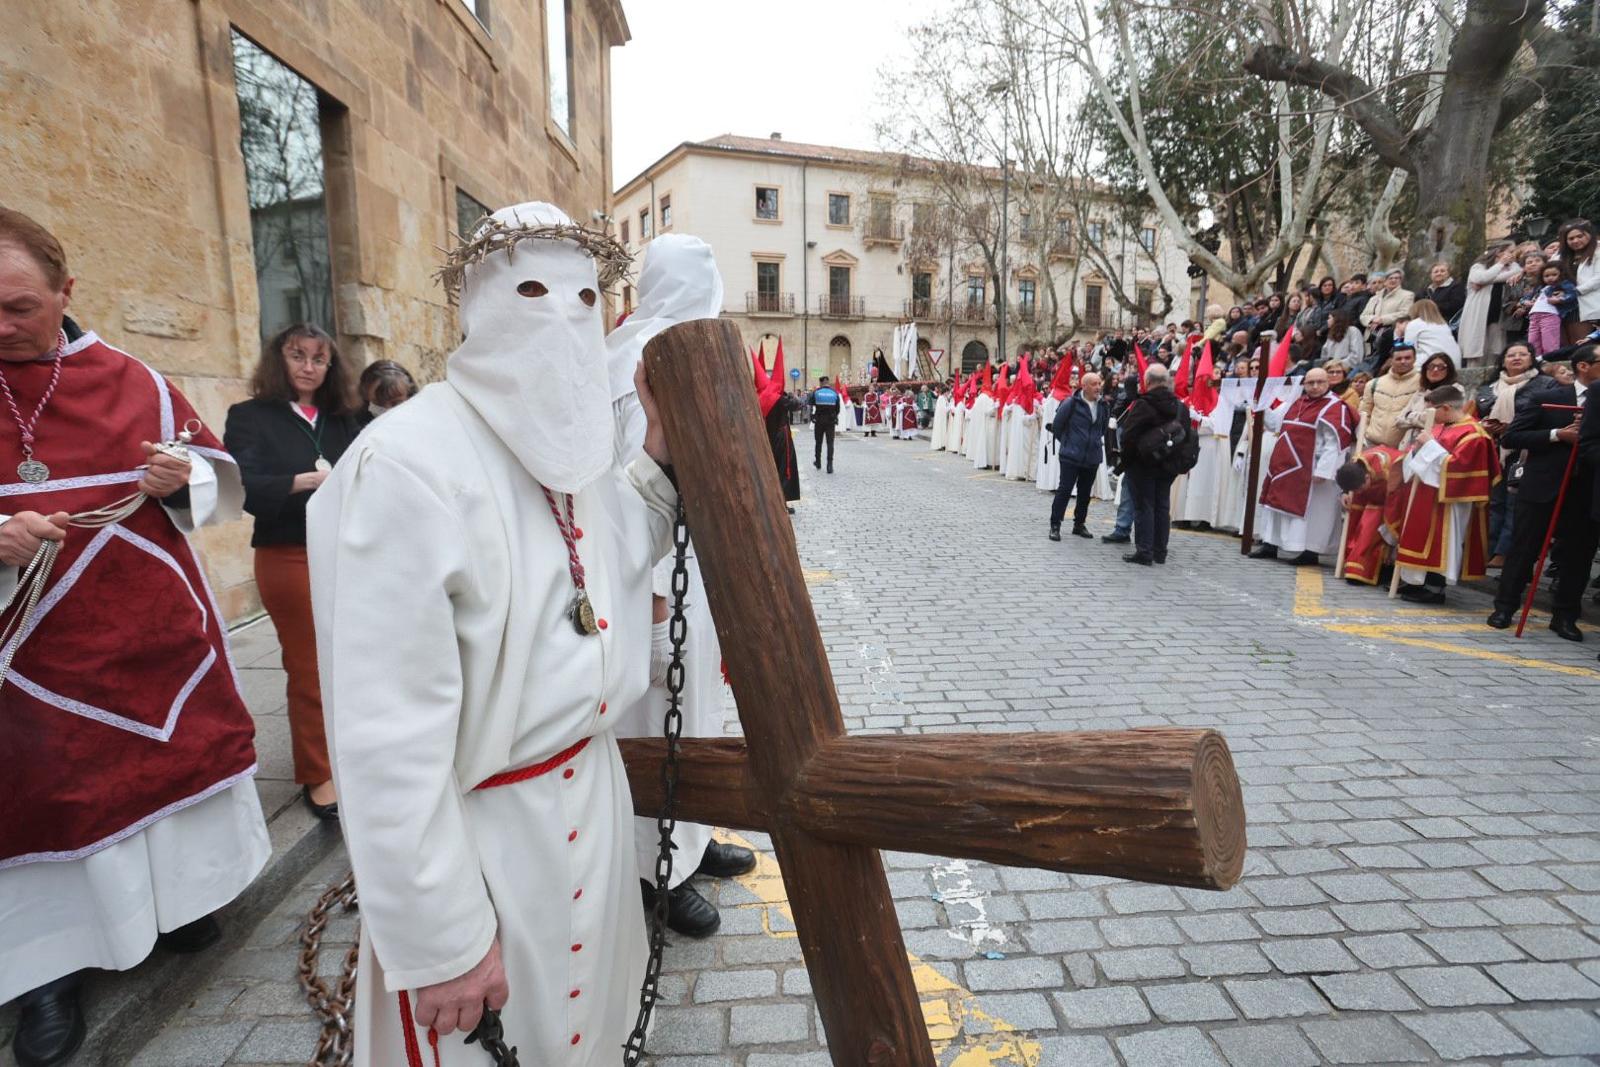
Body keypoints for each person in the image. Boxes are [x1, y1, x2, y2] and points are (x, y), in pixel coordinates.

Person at [306, 202, 682, 1066]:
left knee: (595, 1034)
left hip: (592, 794)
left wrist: (657, 445)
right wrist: (442, 936)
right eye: (533, 289)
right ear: (476, 305)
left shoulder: (577, 445)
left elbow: (611, 545)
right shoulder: (405, 463)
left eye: (586, 297)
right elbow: (385, 734)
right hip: (484, 837)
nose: (561, 315)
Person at [0, 207, 268, 1067]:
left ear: (66, 292)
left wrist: (187, 475)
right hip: (32, 662)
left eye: (19, 307)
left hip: (156, 642)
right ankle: (45, 970)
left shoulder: (137, 382)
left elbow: (226, 492)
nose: (1, 327)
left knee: (170, 772)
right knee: (50, 798)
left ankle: (180, 904)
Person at [602, 233, 752, 938]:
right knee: (661, 723)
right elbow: (641, 474)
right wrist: (658, 608)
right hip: (657, 574)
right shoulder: (651, 358)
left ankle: (690, 841)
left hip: (685, 567)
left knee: (698, 717)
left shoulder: (653, 345)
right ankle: (656, 871)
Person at [224, 324, 362, 820]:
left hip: (351, 553)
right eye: (297, 355)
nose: (308, 366)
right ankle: (318, 770)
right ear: (278, 360)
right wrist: (308, 480)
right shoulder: (250, 416)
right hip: (290, 552)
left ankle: (356, 755)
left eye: (319, 358)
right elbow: (243, 485)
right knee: (310, 667)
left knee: (356, 663)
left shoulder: (348, 419)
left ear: (331, 367)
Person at [1488, 344, 1598, 637]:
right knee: (1524, 549)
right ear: (1584, 366)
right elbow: (1513, 436)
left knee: (1577, 557)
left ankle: (1564, 616)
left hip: (1585, 490)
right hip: (1542, 486)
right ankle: (1505, 607)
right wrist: (1557, 435)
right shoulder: (1548, 397)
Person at [1393, 384, 1501, 603]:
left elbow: (1458, 467)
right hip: (1426, 494)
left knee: (1444, 543)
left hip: (1449, 499)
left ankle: (1435, 588)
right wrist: (1415, 451)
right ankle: (1419, 583)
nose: (1427, 416)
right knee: (1421, 538)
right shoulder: (1442, 425)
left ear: (1444, 408)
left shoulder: (1474, 434)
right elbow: (1422, 455)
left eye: (1431, 410)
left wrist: (1430, 445)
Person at [1251, 367, 1356, 564]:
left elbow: (1335, 443)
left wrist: (1324, 471)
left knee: (1313, 514)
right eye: (1310, 383)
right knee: (1275, 506)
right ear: (1304, 384)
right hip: (1285, 466)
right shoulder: (1297, 402)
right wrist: (1261, 403)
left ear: (1328, 383)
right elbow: (1274, 423)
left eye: (1320, 382)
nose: (1315, 387)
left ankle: (1309, 552)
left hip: (1312, 469)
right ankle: (1270, 544)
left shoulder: (1334, 407)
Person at [1115, 363, 1190, 565]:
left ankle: (1145, 551)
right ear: (1166, 382)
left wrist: (1127, 461)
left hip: (1142, 464)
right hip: (1168, 466)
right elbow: (1187, 436)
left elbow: (1128, 436)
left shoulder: (1144, 404)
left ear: (1147, 382)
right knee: (1161, 507)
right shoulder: (1180, 406)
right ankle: (1160, 551)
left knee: (1143, 507)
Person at [1048, 371, 1110, 540]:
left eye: (1099, 384)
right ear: (1084, 386)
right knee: (1065, 490)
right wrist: (1069, 443)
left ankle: (1079, 524)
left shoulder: (1103, 405)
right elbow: (1057, 426)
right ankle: (1055, 524)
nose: (1098, 387)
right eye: (1094, 384)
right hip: (1071, 455)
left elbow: (1102, 428)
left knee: (1085, 493)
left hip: (1092, 456)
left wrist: (1094, 442)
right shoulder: (1070, 403)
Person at [1335, 446, 1405, 584]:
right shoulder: (1357, 466)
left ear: (1368, 477)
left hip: (1393, 500)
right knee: (1353, 510)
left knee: (1370, 524)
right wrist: (1345, 493)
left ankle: (1371, 568)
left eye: (1360, 489)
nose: (1358, 491)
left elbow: (1396, 500)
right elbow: (1353, 488)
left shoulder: (1388, 471)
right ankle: (1352, 562)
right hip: (1374, 498)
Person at [754, 344, 801, 505]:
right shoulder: (779, 398)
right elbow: (797, 405)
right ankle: (782, 501)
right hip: (781, 437)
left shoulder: (757, 397)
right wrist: (788, 395)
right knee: (784, 468)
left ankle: (766, 498)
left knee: (767, 467)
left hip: (762, 437)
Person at [1460, 243, 1523, 364]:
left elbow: (1518, 271)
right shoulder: (1479, 266)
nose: (1513, 254)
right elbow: (1479, 278)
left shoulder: (1513, 267)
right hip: (1479, 313)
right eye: (1510, 251)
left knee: (1495, 350)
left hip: (1498, 314)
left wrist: (1487, 280)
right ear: (1499, 252)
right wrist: (1500, 264)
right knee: (1476, 349)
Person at [1358, 343, 1421, 448]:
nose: (1403, 361)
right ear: (1391, 360)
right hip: (1371, 444)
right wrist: (1364, 435)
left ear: (1414, 359)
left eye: (1407, 358)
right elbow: (1364, 413)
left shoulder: (1423, 383)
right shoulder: (1374, 384)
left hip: (1404, 448)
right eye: (1398, 358)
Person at [1525, 260, 1581, 357]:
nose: (1550, 278)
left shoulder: (1564, 285)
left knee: (1549, 341)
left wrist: (1560, 299)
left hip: (1549, 315)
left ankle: (1551, 360)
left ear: (1562, 274)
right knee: (1533, 342)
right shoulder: (1541, 288)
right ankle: (1536, 361)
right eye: (1546, 276)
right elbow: (1527, 297)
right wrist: (1525, 302)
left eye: (1554, 274)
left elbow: (1572, 294)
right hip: (1534, 316)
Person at [1362, 268, 1414, 366]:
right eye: (1390, 278)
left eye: (1397, 278)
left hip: (1390, 335)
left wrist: (1382, 319)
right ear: (1385, 281)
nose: (1393, 280)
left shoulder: (1407, 295)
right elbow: (1363, 315)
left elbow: (1405, 313)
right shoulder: (1375, 298)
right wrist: (1372, 320)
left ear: (1401, 280)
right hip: (1371, 335)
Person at [1558, 218, 1599, 335]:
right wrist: (1522, 272)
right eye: (1571, 238)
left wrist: (1576, 291)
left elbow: (1598, 278)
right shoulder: (1562, 256)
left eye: (1580, 236)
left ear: (1589, 235)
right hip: (1567, 306)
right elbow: (1545, 267)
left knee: (1584, 345)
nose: (1575, 240)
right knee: (1571, 347)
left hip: (1590, 304)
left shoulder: (1597, 252)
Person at [1402, 299, 1462, 367]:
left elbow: (1408, 348)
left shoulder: (1414, 324)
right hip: (1454, 364)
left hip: (1432, 364)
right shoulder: (1444, 325)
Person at [357, 359, 419, 423]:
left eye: (396, 403)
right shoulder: (354, 429)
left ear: (410, 397)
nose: (387, 410)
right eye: (379, 403)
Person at [811, 375, 841, 471]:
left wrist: (814, 416)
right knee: (830, 443)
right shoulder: (834, 393)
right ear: (828, 382)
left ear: (821, 383)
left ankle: (818, 462)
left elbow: (811, 406)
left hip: (819, 421)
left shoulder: (816, 393)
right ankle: (829, 465)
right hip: (830, 421)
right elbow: (838, 409)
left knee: (818, 442)